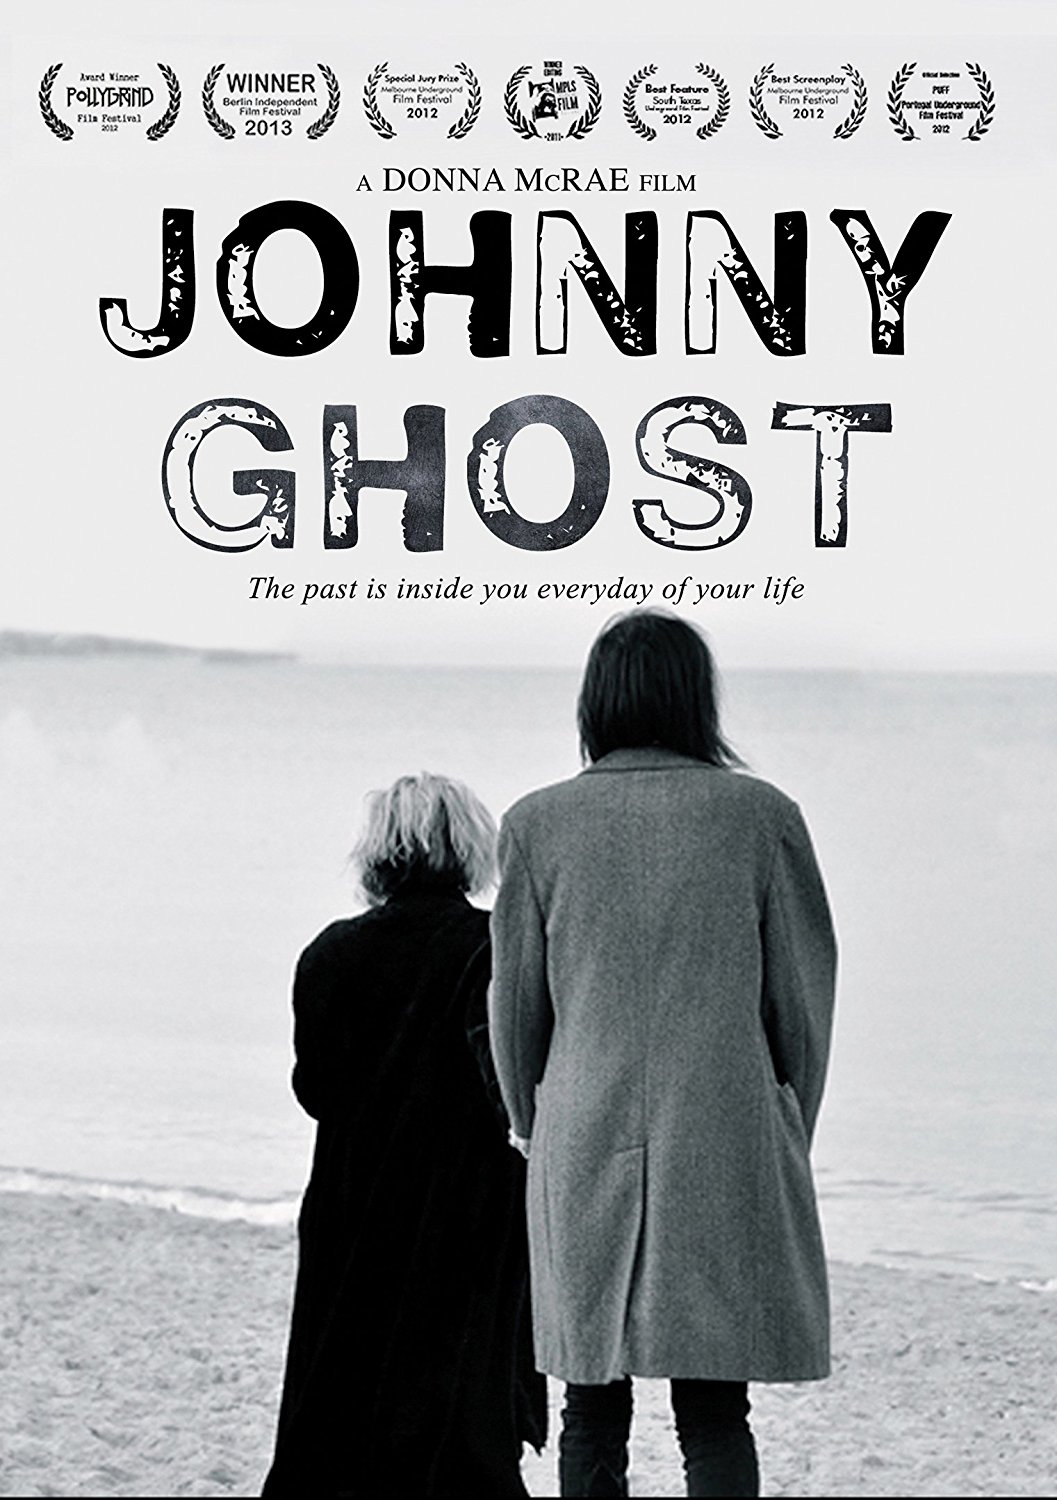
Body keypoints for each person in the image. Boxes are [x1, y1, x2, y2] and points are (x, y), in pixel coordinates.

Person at [489, 611, 837, 1498]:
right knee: (715, 1407)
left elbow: (516, 1007)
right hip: (722, 1125)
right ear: (696, 698)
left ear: (595, 701)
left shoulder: (535, 824)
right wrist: (784, 1118)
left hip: (580, 1128)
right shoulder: (761, 816)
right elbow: (801, 1000)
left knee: (589, 1399)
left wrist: (531, 1118)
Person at [263, 773, 546, 1498]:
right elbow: (518, 1079)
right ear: (468, 848)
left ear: (378, 853)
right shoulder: (493, 947)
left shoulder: (329, 953)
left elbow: (315, 1091)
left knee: (341, 1391)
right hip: (468, 1205)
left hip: (352, 1199)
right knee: (462, 1411)